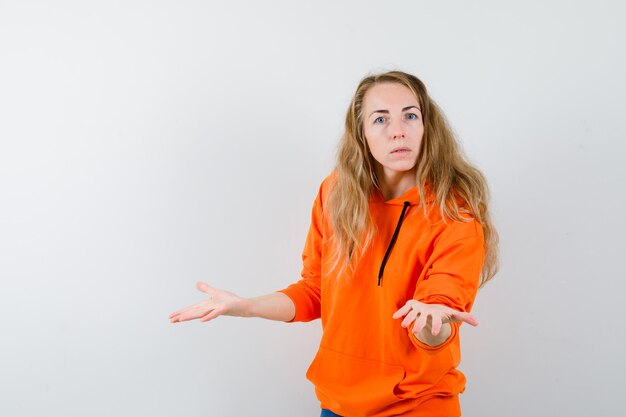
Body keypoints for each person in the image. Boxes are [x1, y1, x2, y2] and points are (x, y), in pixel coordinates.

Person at [169, 70, 499, 417]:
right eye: (381, 119)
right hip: (338, 404)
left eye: (410, 115)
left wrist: (433, 321)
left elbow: (439, 312)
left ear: (427, 126)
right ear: (362, 134)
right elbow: (315, 291)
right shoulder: (337, 194)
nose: (398, 130)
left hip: (418, 406)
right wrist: (247, 306)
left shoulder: (454, 213)